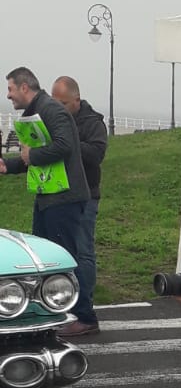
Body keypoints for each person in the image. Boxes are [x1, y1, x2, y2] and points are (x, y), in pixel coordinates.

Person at [0, 66, 98, 335]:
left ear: (24, 87)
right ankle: (50, 313)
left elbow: (65, 146)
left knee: (64, 259)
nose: (8, 95)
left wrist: (31, 155)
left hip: (64, 199)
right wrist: (8, 166)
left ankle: (84, 317)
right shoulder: (35, 112)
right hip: (48, 197)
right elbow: (36, 157)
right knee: (44, 261)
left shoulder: (52, 110)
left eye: (10, 89)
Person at [51, 76, 108, 335]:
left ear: (77, 99)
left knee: (83, 253)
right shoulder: (56, 120)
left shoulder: (92, 123)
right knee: (64, 253)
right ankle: (67, 305)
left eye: (63, 103)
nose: (59, 108)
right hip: (61, 195)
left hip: (86, 197)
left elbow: (96, 155)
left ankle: (86, 315)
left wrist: (68, 140)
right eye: (55, 103)